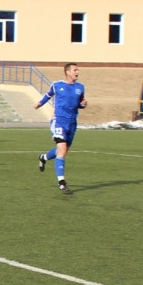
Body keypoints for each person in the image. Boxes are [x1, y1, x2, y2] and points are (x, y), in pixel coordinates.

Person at [34, 63, 87, 194]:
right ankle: (61, 182)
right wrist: (40, 103)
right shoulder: (57, 85)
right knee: (62, 150)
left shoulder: (80, 87)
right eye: (75, 70)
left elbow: (79, 103)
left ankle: (43, 157)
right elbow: (48, 95)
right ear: (67, 72)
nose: (77, 72)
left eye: (78, 70)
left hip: (72, 123)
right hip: (59, 121)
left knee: (62, 151)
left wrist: (83, 104)